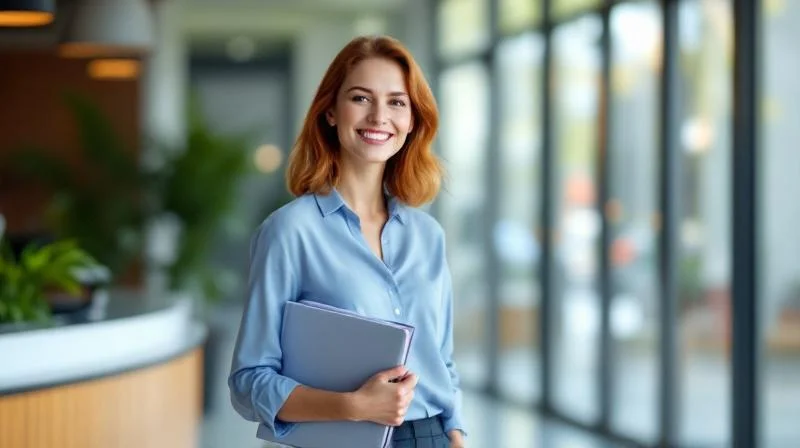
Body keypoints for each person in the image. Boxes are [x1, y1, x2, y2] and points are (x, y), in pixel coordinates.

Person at [228, 35, 466, 448]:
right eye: (360, 98)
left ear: (412, 121)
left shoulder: (428, 236)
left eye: (396, 102)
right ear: (331, 112)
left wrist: (457, 436)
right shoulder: (289, 232)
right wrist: (355, 406)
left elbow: (442, 362)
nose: (379, 116)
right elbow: (249, 382)